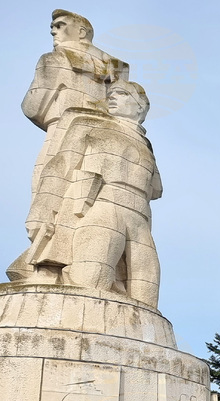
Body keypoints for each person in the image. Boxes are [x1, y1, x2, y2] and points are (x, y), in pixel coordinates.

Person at [10, 10, 129, 282]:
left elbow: (32, 107)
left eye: (59, 25)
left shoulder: (55, 59)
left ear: (82, 32)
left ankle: (45, 263)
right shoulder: (117, 68)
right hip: (109, 141)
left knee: (49, 191)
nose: (53, 30)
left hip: (63, 132)